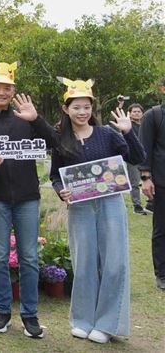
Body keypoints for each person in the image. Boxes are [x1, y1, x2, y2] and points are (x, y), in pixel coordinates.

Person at [50, 77, 145, 344]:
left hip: (110, 203)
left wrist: (129, 131)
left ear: (92, 108)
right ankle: (82, 320)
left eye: (86, 107)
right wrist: (61, 190)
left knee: (114, 263)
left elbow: (137, 158)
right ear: (66, 108)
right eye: (76, 107)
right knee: (84, 264)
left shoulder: (107, 135)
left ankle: (107, 324)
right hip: (80, 206)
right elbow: (55, 175)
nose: (82, 112)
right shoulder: (61, 140)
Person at [0, 59, 58, 338]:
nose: (1, 92)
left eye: (7, 88)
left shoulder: (25, 119)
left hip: (27, 197)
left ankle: (30, 315)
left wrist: (36, 119)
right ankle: (2, 312)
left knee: (29, 257)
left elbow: (55, 141)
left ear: (13, 91)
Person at [139, 76, 165, 290]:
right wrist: (146, 178)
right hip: (161, 181)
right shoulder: (153, 115)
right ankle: (162, 274)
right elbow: (144, 149)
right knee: (162, 229)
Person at [126, 103, 149, 215]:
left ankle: (151, 204)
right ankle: (137, 206)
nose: (136, 113)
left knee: (150, 180)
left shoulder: (146, 125)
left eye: (139, 111)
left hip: (146, 157)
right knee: (135, 182)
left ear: (142, 113)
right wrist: (120, 106)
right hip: (133, 158)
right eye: (134, 111)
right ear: (130, 114)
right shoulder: (127, 126)